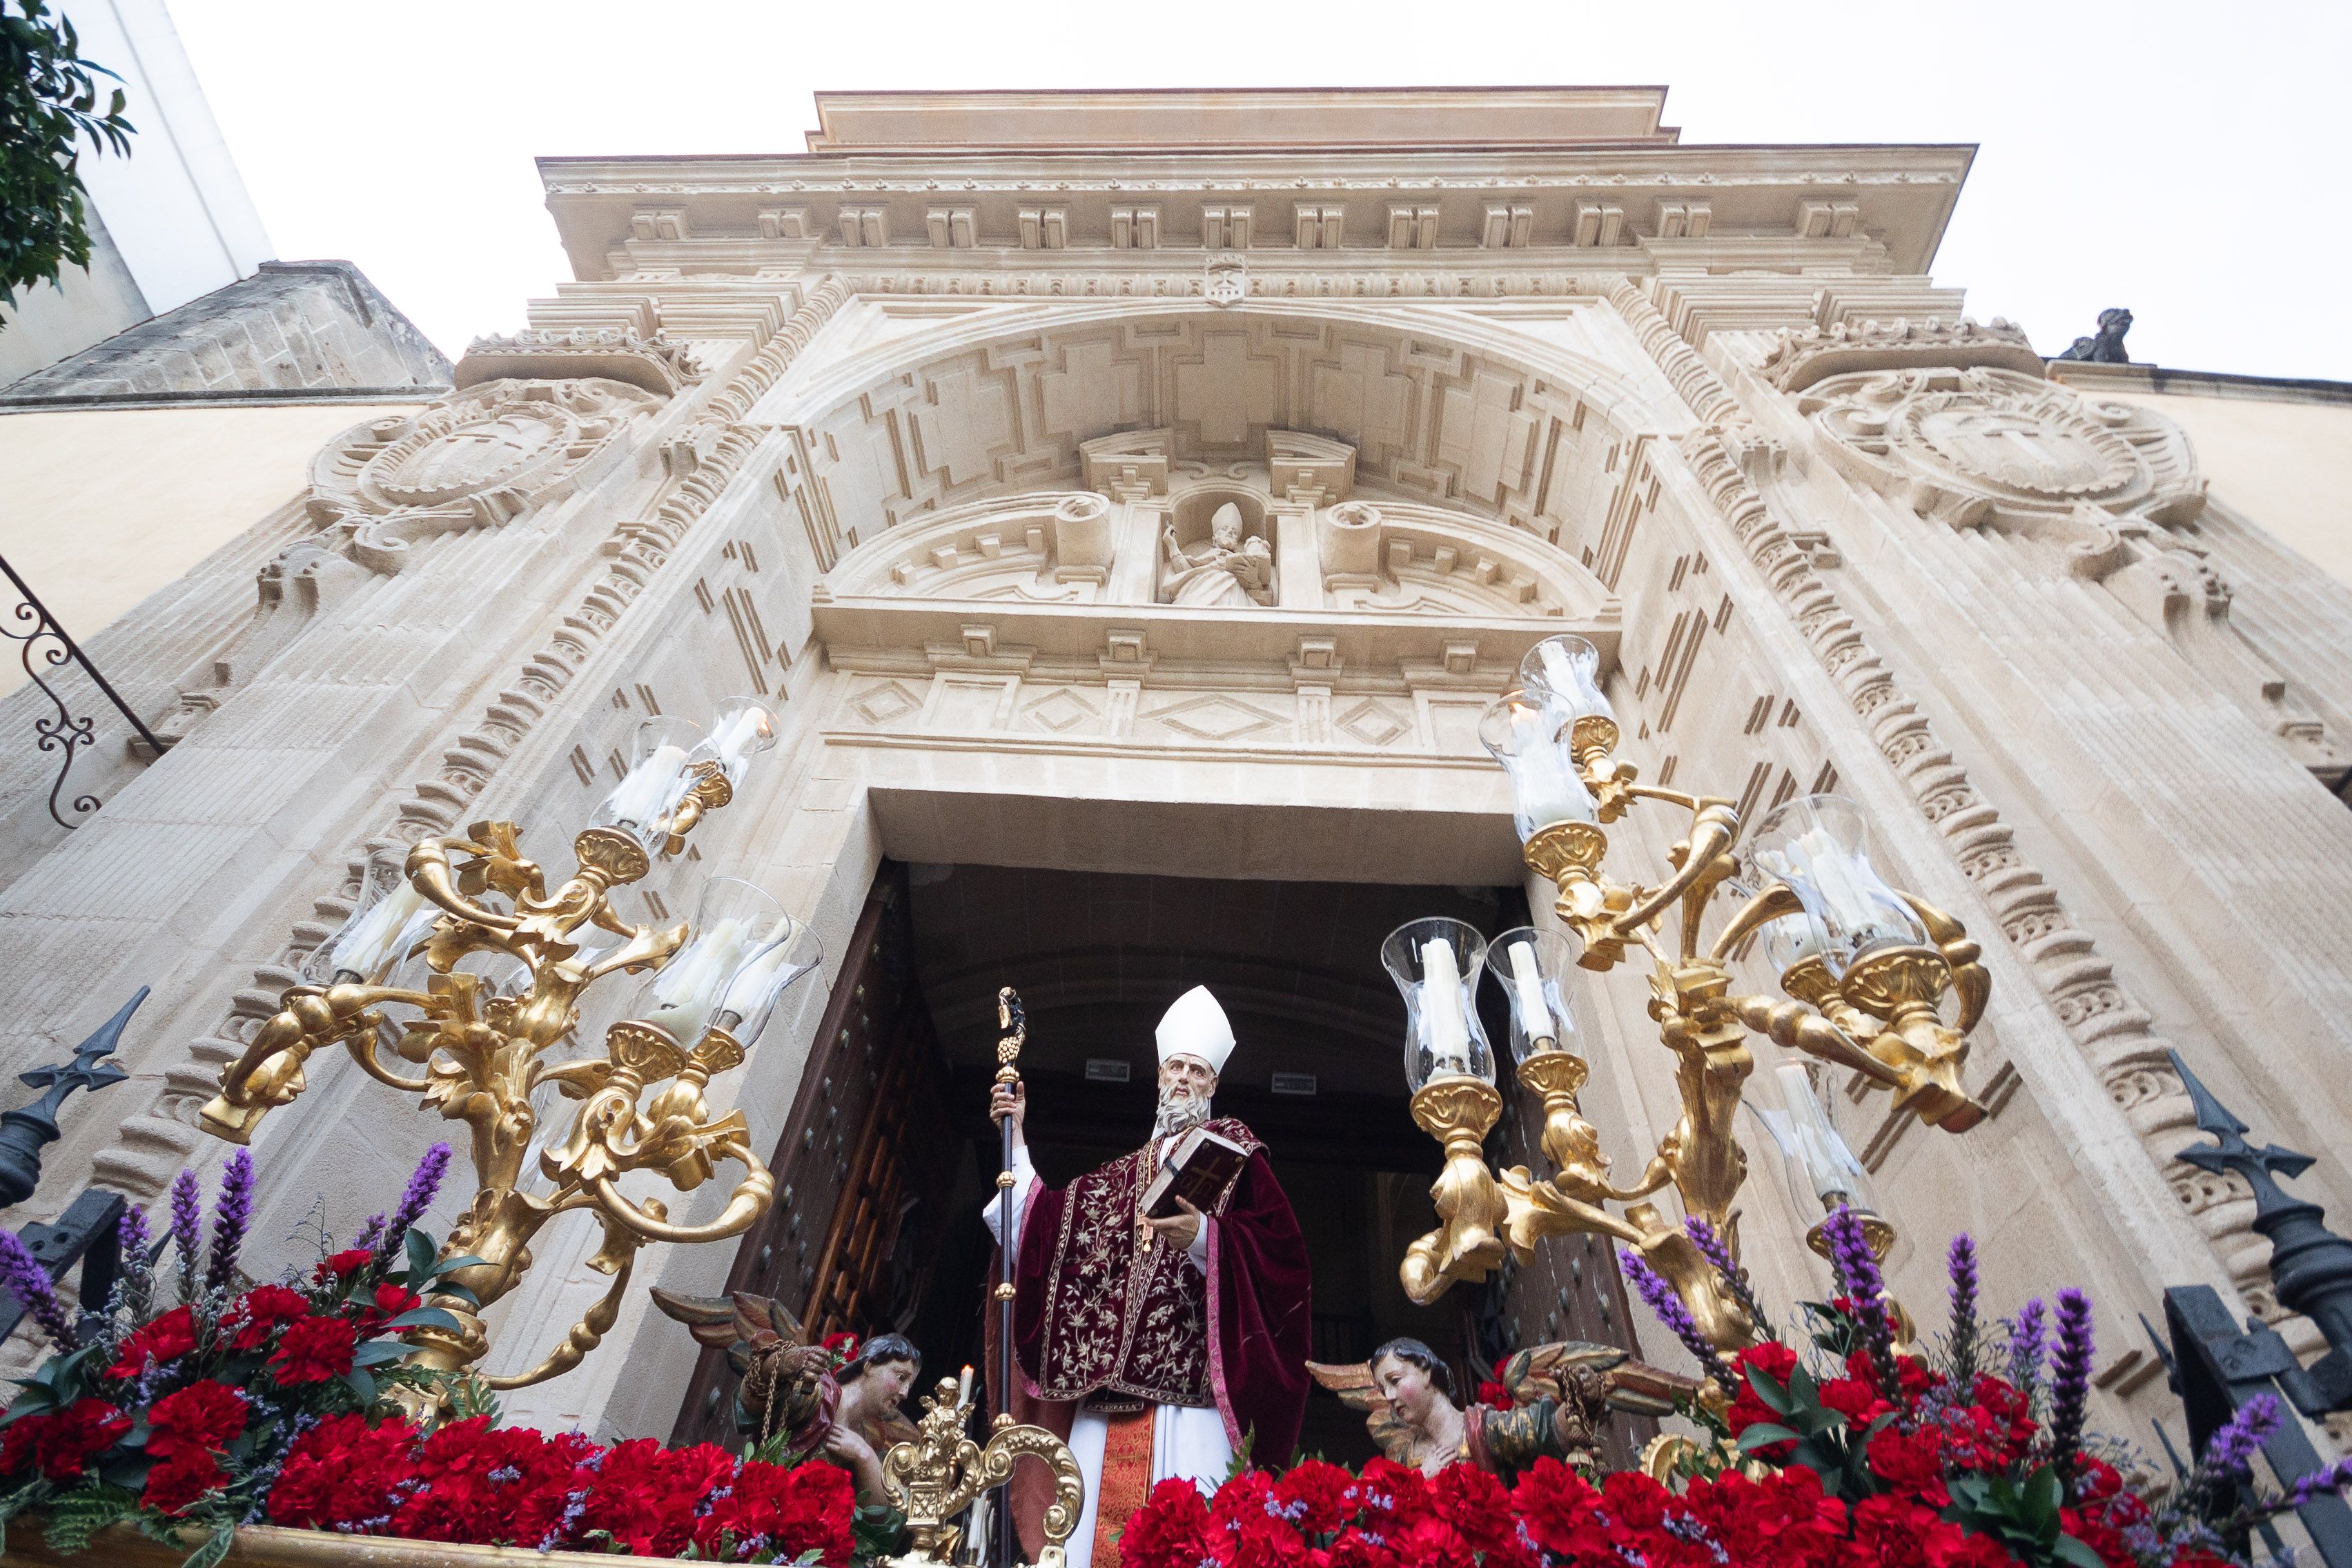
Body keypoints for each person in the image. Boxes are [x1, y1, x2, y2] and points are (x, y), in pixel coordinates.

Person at [986, 984, 1311, 1568]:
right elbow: (1040, 1234)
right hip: (1100, 1417)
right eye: (1175, 1068)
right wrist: (1015, 1140)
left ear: (1214, 1086)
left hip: (1192, 1415)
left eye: (1196, 1070)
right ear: (1159, 1079)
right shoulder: (1112, 1183)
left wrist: (1208, 1241)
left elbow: (1283, 1263)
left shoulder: (1236, 1159)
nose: (1183, 1078)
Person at [1310, 1335, 1695, 1481]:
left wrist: (1579, 1400)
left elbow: (1536, 1429)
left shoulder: (1481, 1428)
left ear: (1427, 1372)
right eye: (1382, 1389)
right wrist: (1422, 1481)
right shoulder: (1408, 1454)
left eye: (1395, 1381)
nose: (1389, 1397)